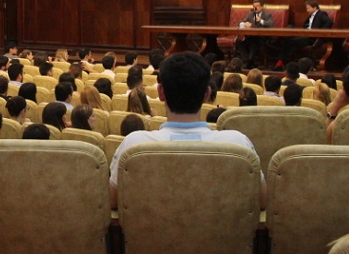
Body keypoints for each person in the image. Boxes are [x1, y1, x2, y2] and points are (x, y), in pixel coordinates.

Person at [109, 52, 262, 210]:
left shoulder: (133, 145)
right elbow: (262, 199)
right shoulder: (238, 144)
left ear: (161, 93)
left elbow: (113, 200)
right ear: (207, 94)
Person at [236, 0, 273, 68]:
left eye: (257, 6)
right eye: (254, 6)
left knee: (254, 42)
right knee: (240, 43)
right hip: (250, 37)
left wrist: (261, 21)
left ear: (262, 7)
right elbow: (240, 23)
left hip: (261, 38)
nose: (255, 8)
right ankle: (247, 61)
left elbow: (270, 24)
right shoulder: (251, 14)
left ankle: (249, 62)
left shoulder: (267, 15)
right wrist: (244, 24)